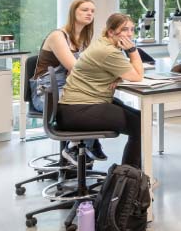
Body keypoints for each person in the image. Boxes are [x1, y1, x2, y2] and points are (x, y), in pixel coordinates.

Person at [56, 13, 144, 168]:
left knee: (141, 119)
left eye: (132, 29)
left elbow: (112, 69)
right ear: (111, 32)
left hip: (73, 107)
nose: (130, 34)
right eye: (124, 30)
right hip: (79, 110)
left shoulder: (103, 44)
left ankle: (130, 175)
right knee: (140, 125)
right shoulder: (109, 51)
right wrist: (133, 50)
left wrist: (118, 75)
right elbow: (137, 76)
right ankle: (129, 178)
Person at [32, 0, 106, 162]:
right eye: (84, 10)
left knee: (102, 99)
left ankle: (79, 146)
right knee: (86, 103)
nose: (89, 13)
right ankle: (76, 146)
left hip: (68, 89)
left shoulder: (82, 40)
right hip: (47, 94)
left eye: (92, 11)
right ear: (73, 12)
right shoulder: (58, 36)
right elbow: (77, 68)